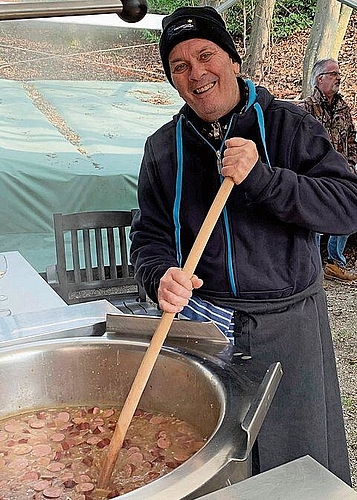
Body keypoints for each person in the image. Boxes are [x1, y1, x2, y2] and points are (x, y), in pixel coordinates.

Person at [130, 6, 357, 485]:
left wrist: (263, 179)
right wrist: (159, 277)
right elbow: (150, 237)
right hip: (205, 328)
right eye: (180, 66)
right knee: (217, 464)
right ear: (172, 80)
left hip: (288, 325)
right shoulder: (162, 147)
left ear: (233, 60)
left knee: (296, 468)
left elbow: (347, 205)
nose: (197, 73)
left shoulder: (289, 125)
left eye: (206, 55)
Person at [298, 58, 357, 283]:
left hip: (341, 173)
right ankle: (312, 267)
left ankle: (336, 262)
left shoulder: (343, 106)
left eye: (339, 74)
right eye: (333, 74)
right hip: (315, 176)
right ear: (319, 78)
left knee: (347, 211)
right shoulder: (305, 108)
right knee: (314, 221)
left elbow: (351, 137)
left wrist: (350, 163)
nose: (338, 78)